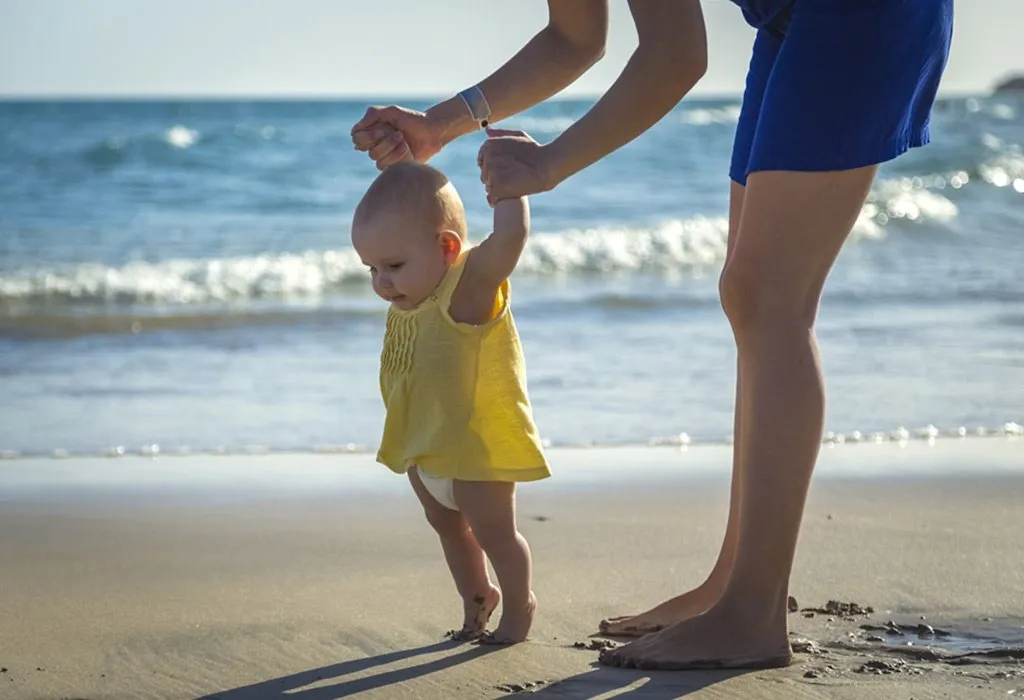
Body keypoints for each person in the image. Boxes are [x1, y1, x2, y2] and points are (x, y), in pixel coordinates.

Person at [351, 0, 953, 670]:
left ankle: (751, 614)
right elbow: (575, 37)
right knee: (751, 297)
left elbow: (676, 55)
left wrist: (547, 166)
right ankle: (734, 585)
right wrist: (439, 125)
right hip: (790, 19)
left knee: (767, 298)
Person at [351, 161, 549, 644]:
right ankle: (477, 599)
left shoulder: (466, 292)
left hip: (476, 454)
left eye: (394, 266)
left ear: (447, 248)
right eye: (372, 269)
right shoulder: (409, 301)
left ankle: (520, 605)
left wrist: (510, 189)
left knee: (495, 536)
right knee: (449, 531)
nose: (382, 282)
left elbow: (508, 243)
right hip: (424, 450)